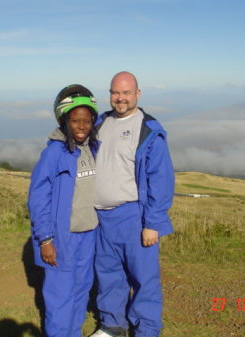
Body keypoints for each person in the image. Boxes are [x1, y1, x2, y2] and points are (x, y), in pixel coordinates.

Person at [90, 72, 175, 337]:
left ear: (137, 94)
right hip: (100, 217)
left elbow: (160, 179)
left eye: (127, 93)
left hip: (133, 215)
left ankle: (146, 329)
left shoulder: (148, 130)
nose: (121, 98)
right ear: (110, 94)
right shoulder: (100, 122)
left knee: (143, 278)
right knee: (108, 273)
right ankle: (113, 324)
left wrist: (153, 223)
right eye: (116, 92)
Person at [27, 84, 99, 337]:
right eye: (75, 120)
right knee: (60, 296)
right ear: (64, 120)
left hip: (88, 234)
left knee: (81, 289)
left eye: (87, 121)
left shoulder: (92, 148)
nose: (81, 126)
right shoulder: (54, 153)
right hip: (62, 236)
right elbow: (38, 198)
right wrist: (45, 239)